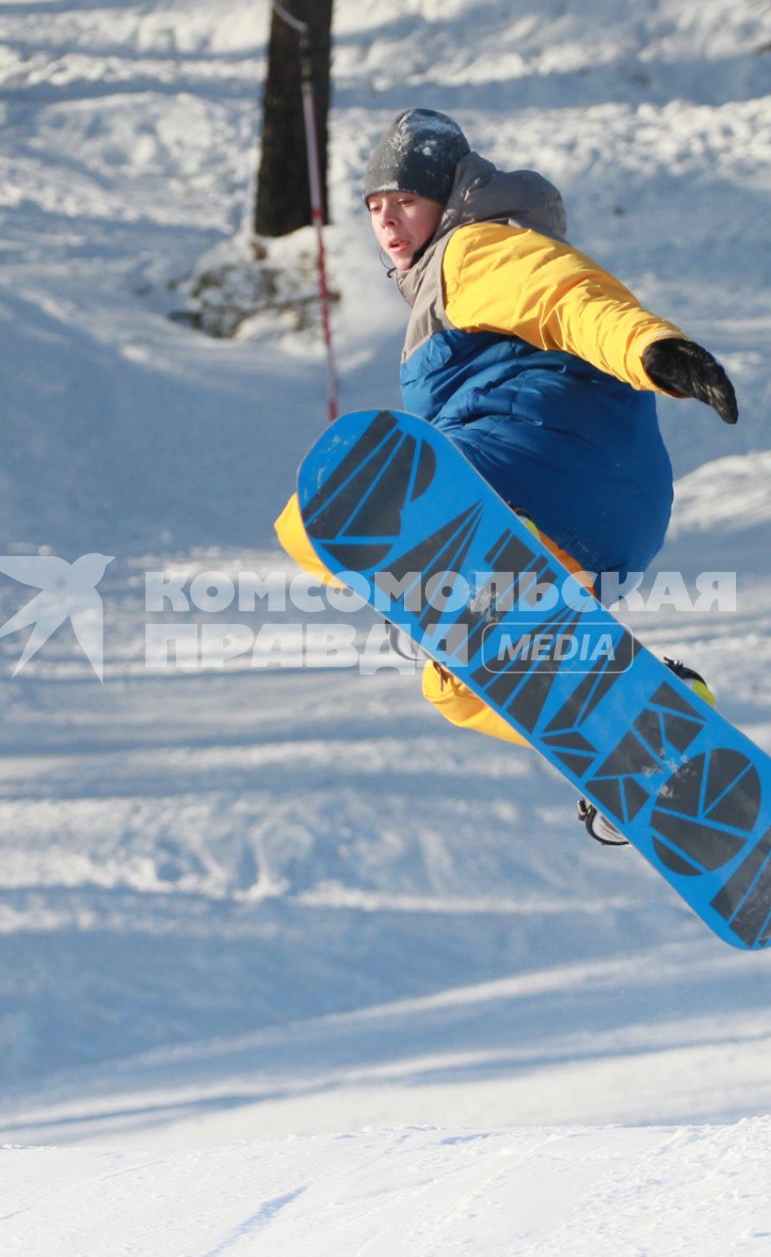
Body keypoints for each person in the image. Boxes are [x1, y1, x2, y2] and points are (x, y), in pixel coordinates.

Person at [273, 108, 737, 837]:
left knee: (326, 507)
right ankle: (649, 727)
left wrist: (653, 347)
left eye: (407, 201)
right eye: (375, 207)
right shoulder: (437, 281)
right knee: (454, 686)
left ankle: (467, 579)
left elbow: (569, 296)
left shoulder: (476, 250)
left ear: (450, 197)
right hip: (611, 524)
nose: (390, 222)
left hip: (543, 472)